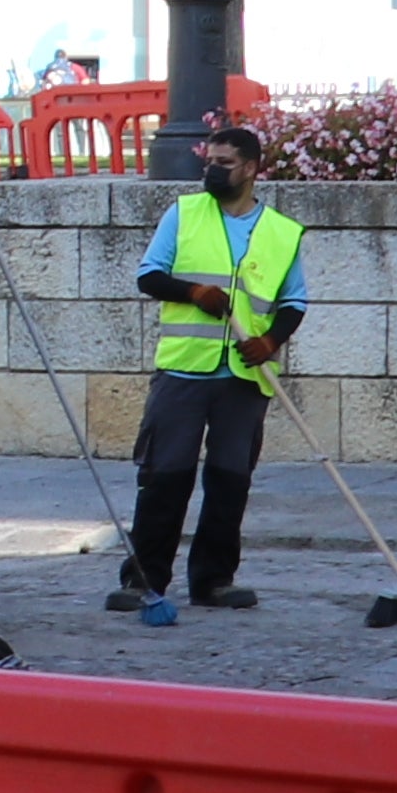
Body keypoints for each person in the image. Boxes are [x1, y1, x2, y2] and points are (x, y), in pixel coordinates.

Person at [112, 118, 307, 614]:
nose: (213, 171)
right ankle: (143, 580)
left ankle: (214, 580)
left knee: (229, 481)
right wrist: (194, 292)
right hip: (183, 370)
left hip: (242, 377)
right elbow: (149, 276)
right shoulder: (184, 214)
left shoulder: (282, 234)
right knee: (163, 477)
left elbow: (293, 302)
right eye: (209, 162)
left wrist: (271, 340)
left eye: (224, 164)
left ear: (251, 168)